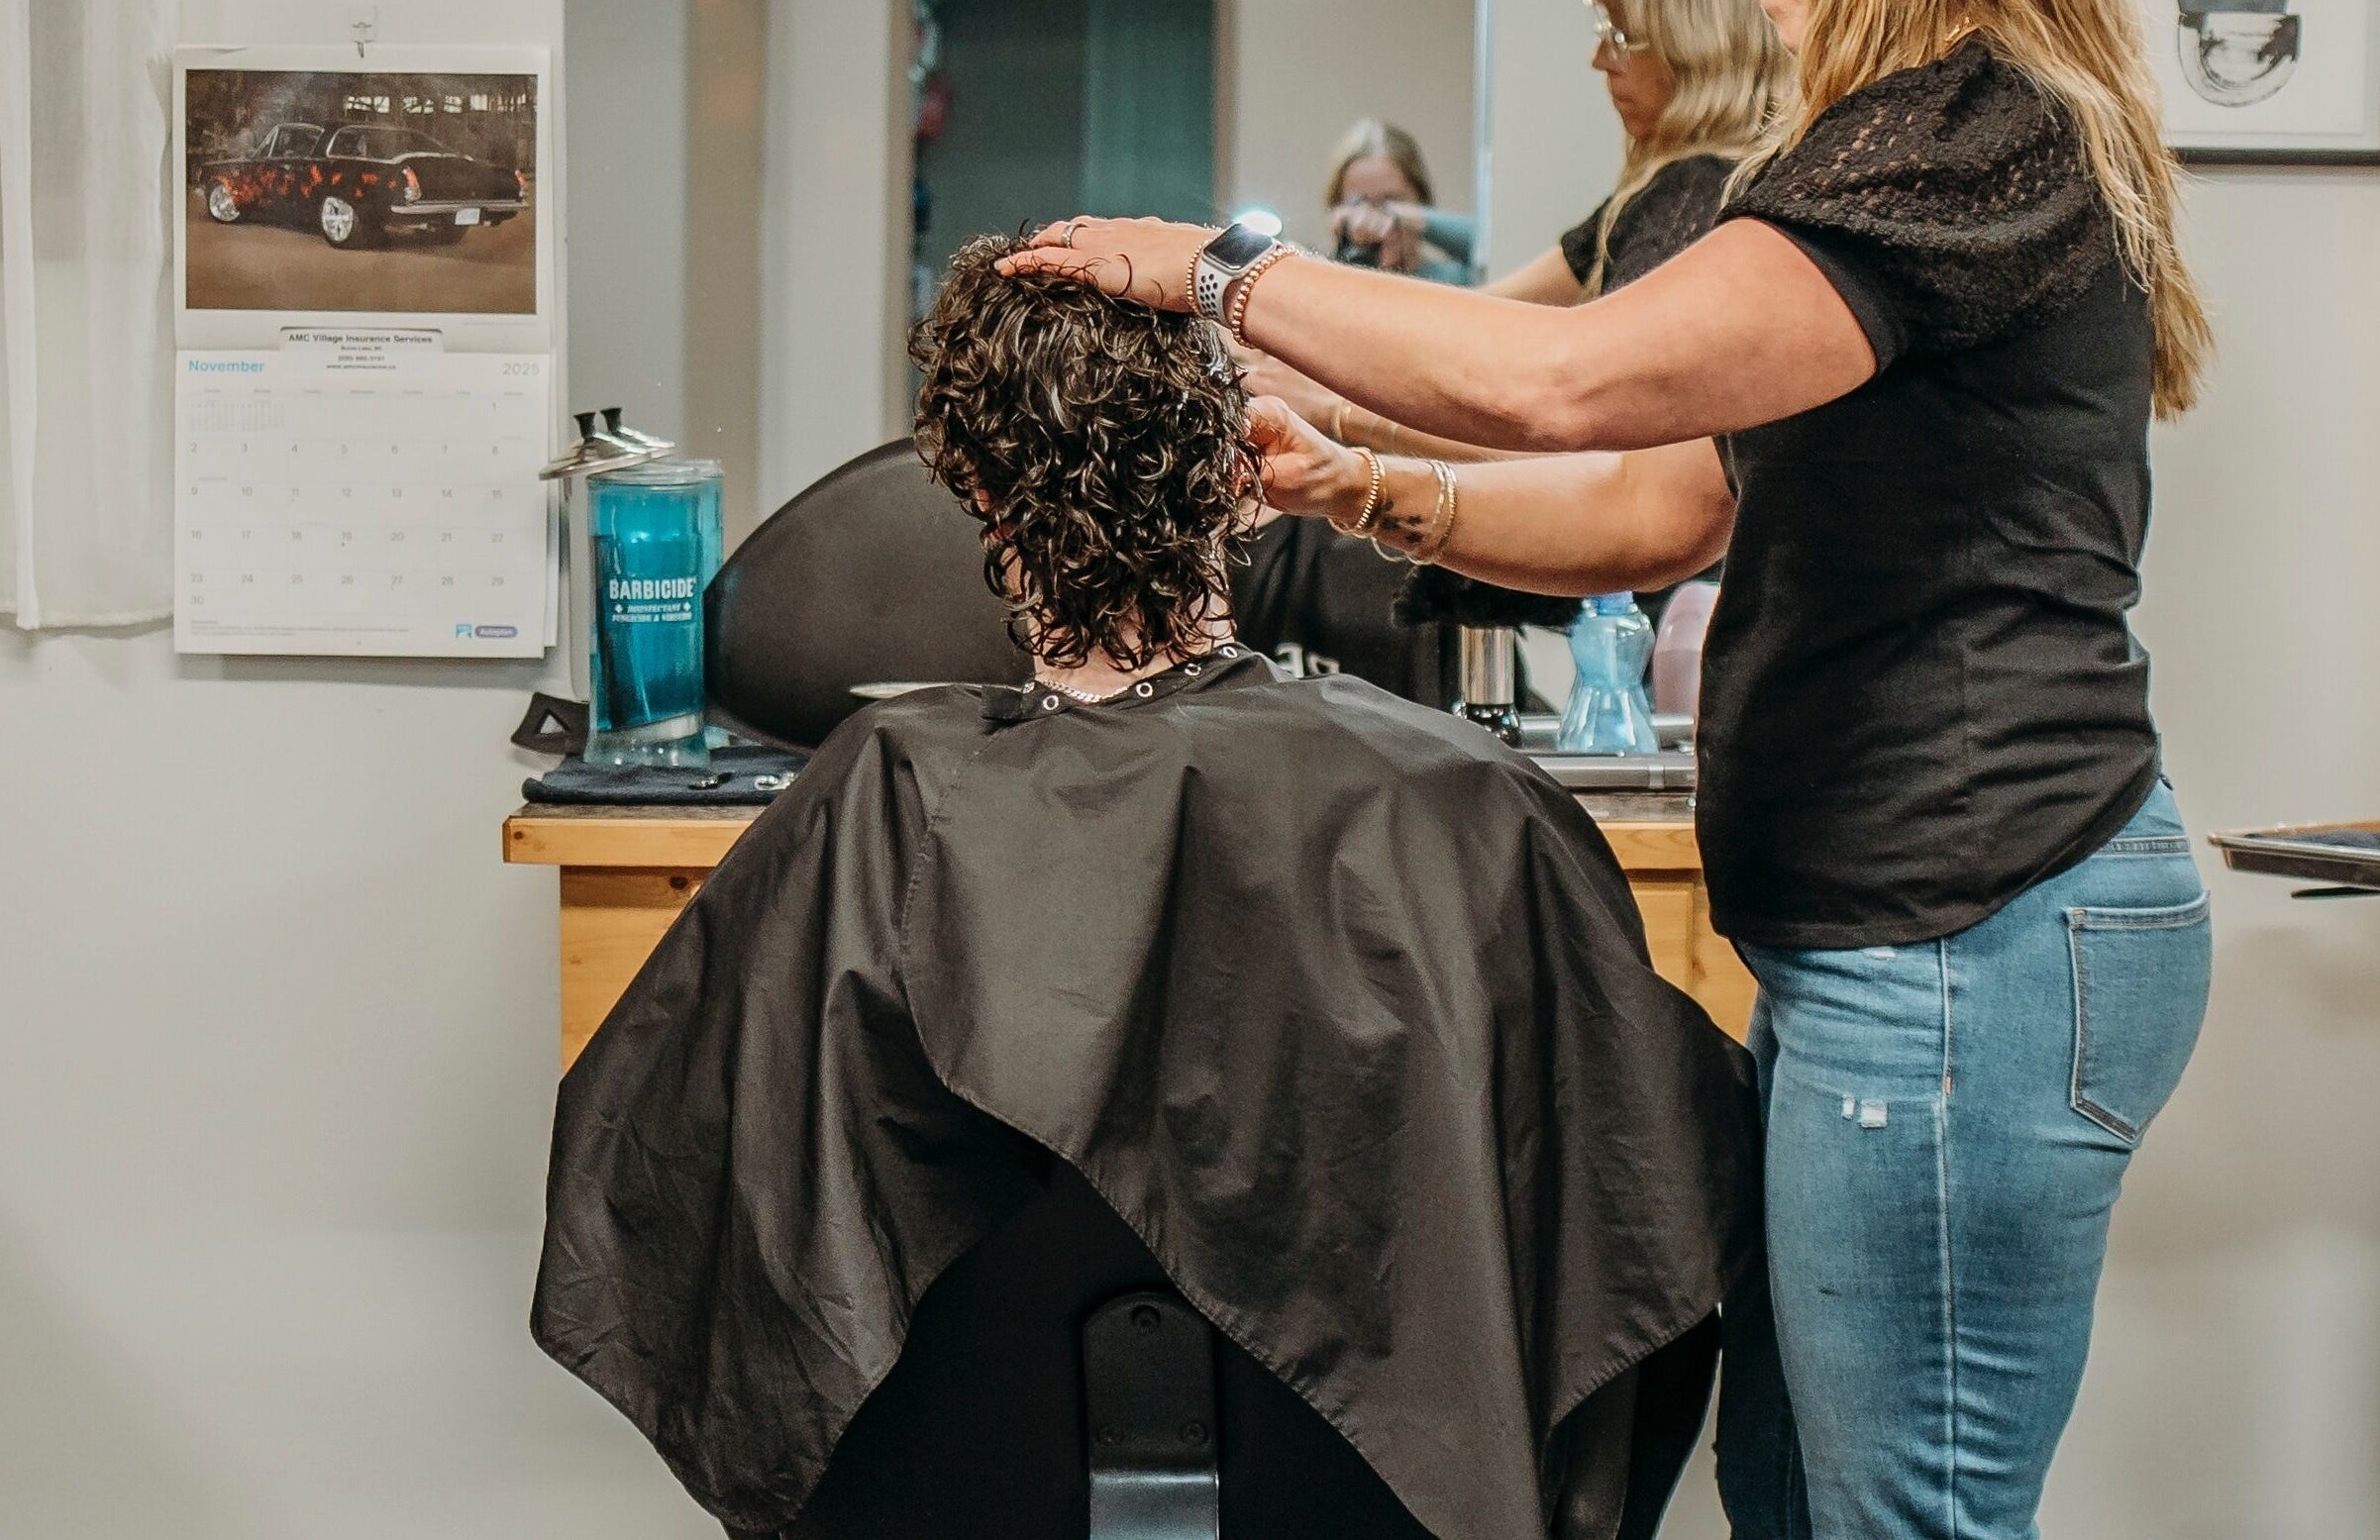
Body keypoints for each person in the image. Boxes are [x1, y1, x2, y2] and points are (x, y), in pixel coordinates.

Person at [1001, 0, 2217, 1540]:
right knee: (1794, 1496)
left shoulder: (1977, 134)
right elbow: (1662, 501)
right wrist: (1367, 487)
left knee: (1897, 1522)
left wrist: (1215, 270)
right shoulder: (1877, 144)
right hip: (1890, 936)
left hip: (1976, 930)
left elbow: (1569, 384)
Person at [534, 232, 1760, 1540]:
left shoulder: (874, 807)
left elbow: (692, 1231)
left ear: (973, 489)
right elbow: (1639, 1251)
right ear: (1244, 479)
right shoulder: (1466, 809)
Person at [1268, 0, 1785, 461]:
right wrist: (1293, 319)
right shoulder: (1652, 200)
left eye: (1618, 38)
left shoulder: (1691, 197)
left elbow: (1582, 458)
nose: (1599, 60)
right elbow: (1490, 312)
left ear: (1695, 44)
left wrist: (1337, 410)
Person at [1321, 118, 1478, 283]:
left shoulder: (1454, 281)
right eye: (1358, 203)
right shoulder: (1325, 280)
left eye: (1392, 201)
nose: (1373, 220)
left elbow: (1493, 243)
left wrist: (1400, 216)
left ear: (1421, 199)